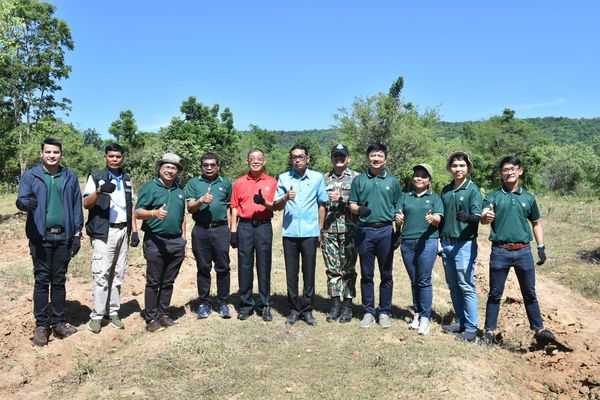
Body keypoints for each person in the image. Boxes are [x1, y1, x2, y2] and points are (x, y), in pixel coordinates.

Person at [480, 155, 555, 345]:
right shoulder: (492, 197)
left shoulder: (528, 198)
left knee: (529, 293)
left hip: (523, 252)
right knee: (495, 293)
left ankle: (539, 330)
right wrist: (485, 216)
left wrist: (541, 247)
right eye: (505, 169)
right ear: (501, 174)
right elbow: (483, 216)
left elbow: (536, 224)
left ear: (520, 171)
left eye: (513, 169)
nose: (509, 172)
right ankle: (489, 331)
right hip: (500, 251)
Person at [16, 138, 83, 346]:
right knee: (42, 280)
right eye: (48, 152)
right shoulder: (31, 175)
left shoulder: (69, 176)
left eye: (55, 152)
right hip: (40, 238)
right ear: (41, 153)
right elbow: (21, 199)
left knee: (59, 280)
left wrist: (77, 234)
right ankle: (41, 326)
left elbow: (76, 205)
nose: (52, 155)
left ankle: (59, 323)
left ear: (61, 154)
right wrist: (26, 204)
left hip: (63, 237)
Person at [83, 143, 140, 334]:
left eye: (118, 156)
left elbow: (130, 206)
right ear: (105, 157)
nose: (115, 159)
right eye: (111, 156)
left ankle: (113, 312)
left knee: (118, 274)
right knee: (102, 275)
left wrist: (134, 231)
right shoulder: (96, 177)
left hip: (123, 231)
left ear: (122, 158)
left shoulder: (127, 179)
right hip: (103, 232)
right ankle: (97, 316)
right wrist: (99, 192)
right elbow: (86, 203)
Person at [273, 144, 328, 326]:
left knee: (309, 272)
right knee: (291, 273)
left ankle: (307, 309)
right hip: (290, 233)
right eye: (294, 157)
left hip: (310, 232)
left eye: (301, 156)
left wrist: (320, 229)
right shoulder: (283, 178)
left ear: (307, 159)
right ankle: (294, 309)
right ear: (291, 160)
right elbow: (276, 205)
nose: (297, 160)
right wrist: (285, 198)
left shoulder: (317, 178)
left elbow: (322, 204)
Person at [349, 143, 402, 329]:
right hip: (365, 231)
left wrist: (398, 226)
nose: (376, 159)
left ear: (385, 159)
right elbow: (352, 204)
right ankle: (369, 311)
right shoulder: (359, 180)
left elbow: (398, 206)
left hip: (386, 231)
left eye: (380, 155)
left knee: (386, 273)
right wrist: (359, 209)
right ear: (368, 158)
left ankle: (385, 311)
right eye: (373, 155)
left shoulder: (393, 181)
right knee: (367, 274)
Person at [135, 153, 186, 333]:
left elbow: (182, 217)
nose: (170, 170)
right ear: (160, 168)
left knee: (168, 281)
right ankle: (151, 318)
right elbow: (138, 212)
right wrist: (154, 214)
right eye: (167, 166)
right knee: (153, 281)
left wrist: (183, 239)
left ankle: (163, 313)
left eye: (174, 168)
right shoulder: (151, 187)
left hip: (176, 242)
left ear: (178, 171)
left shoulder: (180, 190)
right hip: (155, 240)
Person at [230, 148, 277, 321]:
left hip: (264, 226)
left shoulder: (272, 182)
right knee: (244, 265)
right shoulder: (239, 182)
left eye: (259, 158)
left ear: (264, 161)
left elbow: (276, 205)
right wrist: (233, 231)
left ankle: (265, 304)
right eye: (252, 158)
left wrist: (265, 202)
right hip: (245, 227)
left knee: (264, 265)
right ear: (247, 162)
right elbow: (234, 207)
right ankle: (246, 304)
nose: (255, 161)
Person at [439, 151, 482, 342]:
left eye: (462, 166)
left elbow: (478, 216)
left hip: (464, 245)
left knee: (466, 285)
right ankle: (461, 322)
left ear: (468, 167)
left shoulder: (473, 190)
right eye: (455, 165)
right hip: (447, 244)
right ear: (450, 168)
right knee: (453, 286)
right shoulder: (446, 190)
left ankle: (472, 328)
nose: (458, 169)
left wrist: (469, 218)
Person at [397, 163, 443, 336]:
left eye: (423, 176)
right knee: (414, 279)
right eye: (417, 175)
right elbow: (398, 215)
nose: (419, 178)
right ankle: (417, 313)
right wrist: (398, 219)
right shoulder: (405, 197)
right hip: (407, 242)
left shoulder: (434, 198)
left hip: (427, 241)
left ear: (429, 180)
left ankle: (425, 317)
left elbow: (439, 218)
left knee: (424, 280)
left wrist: (433, 219)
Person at [186, 152, 233, 319]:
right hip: (201, 230)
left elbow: (229, 208)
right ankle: (204, 303)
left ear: (218, 166)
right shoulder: (193, 183)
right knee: (203, 268)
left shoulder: (226, 182)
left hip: (220, 229)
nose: (209, 167)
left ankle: (222, 303)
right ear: (201, 167)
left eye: (213, 165)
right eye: (205, 165)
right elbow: (190, 208)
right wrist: (200, 200)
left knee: (223, 267)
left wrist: (231, 229)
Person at [321, 144, 359, 323]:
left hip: (350, 230)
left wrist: (342, 200)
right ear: (331, 159)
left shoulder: (357, 179)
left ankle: (347, 306)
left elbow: (361, 204)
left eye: (342, 156)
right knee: (332, 269)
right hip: (329, 231)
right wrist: (319, 229)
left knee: (348, 270)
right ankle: (335, 304)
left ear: (348, 158)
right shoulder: (324, 179)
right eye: (336, 156)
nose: (339, 159)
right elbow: (319, 205)